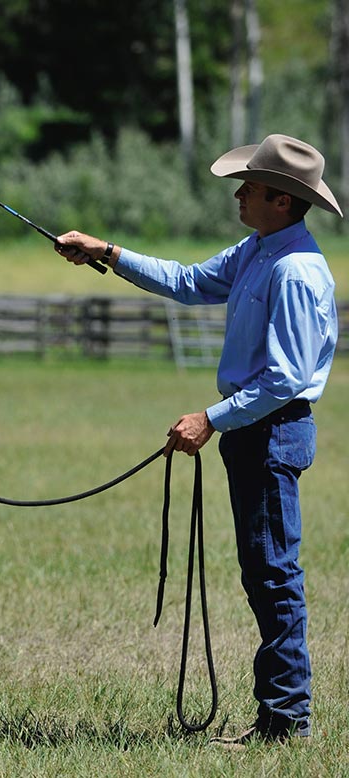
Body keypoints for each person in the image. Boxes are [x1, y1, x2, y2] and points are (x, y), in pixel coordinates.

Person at [54, 134, 342, 746]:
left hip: (269, 432)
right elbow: (187, 282)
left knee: (272, 575)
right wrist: (105, 251)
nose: (239, 194)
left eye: (252, 187)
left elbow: (285, 379)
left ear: (283, 202)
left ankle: (287, 720)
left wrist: (210, 418)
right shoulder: (261, 249)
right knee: (265, 572)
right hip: (255, 433)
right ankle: (282, 715)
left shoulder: (292, 270)